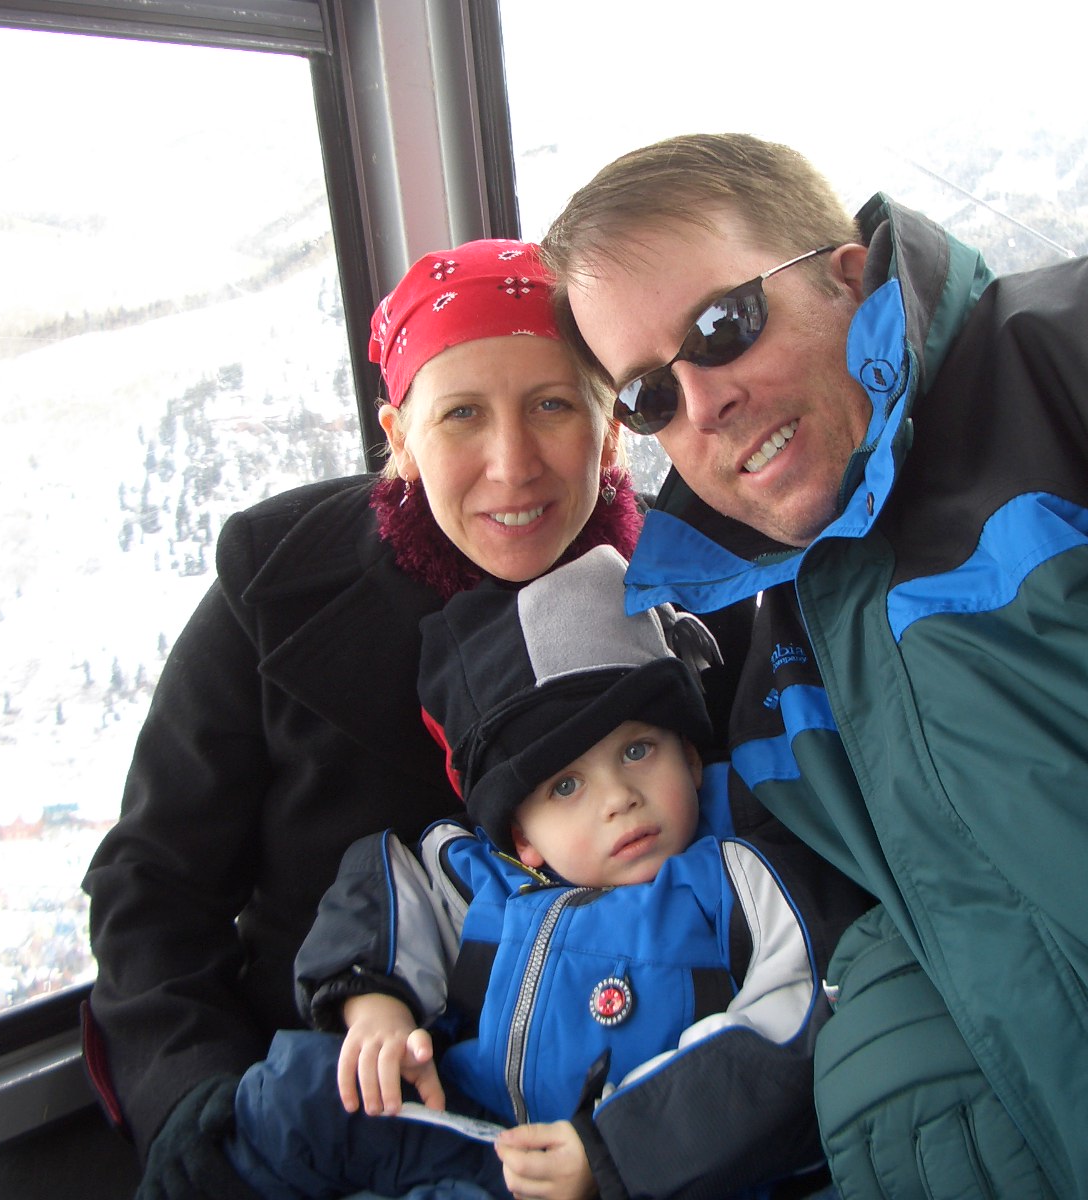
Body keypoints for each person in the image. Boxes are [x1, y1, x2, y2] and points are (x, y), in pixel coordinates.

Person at [539, 132, 1088, 1199]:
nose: (701, 404)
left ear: (846, 274)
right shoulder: (768, 658)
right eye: (648, 394)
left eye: (722, 327)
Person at [81, 238, 750, 1199]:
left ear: (608, 429)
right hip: (334, 1114)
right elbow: (155, 884)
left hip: (642, 1117)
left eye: (553, 406)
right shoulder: (277, 585)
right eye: (462, 414)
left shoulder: (698, 588)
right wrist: (201, 1105)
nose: (512, 465)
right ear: (399, 437)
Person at [221, 544, 831, 1200]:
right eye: (565, 786)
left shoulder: (738, 873)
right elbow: (384, 887)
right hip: (480, 1140)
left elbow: (790, 1024)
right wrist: (376, 1006)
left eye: (637, 750)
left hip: (641, 1165)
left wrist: (613, 1151)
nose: (617, 799)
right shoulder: (486, 880)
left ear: (689, 757)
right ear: (523, 837)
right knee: (294, 1095)